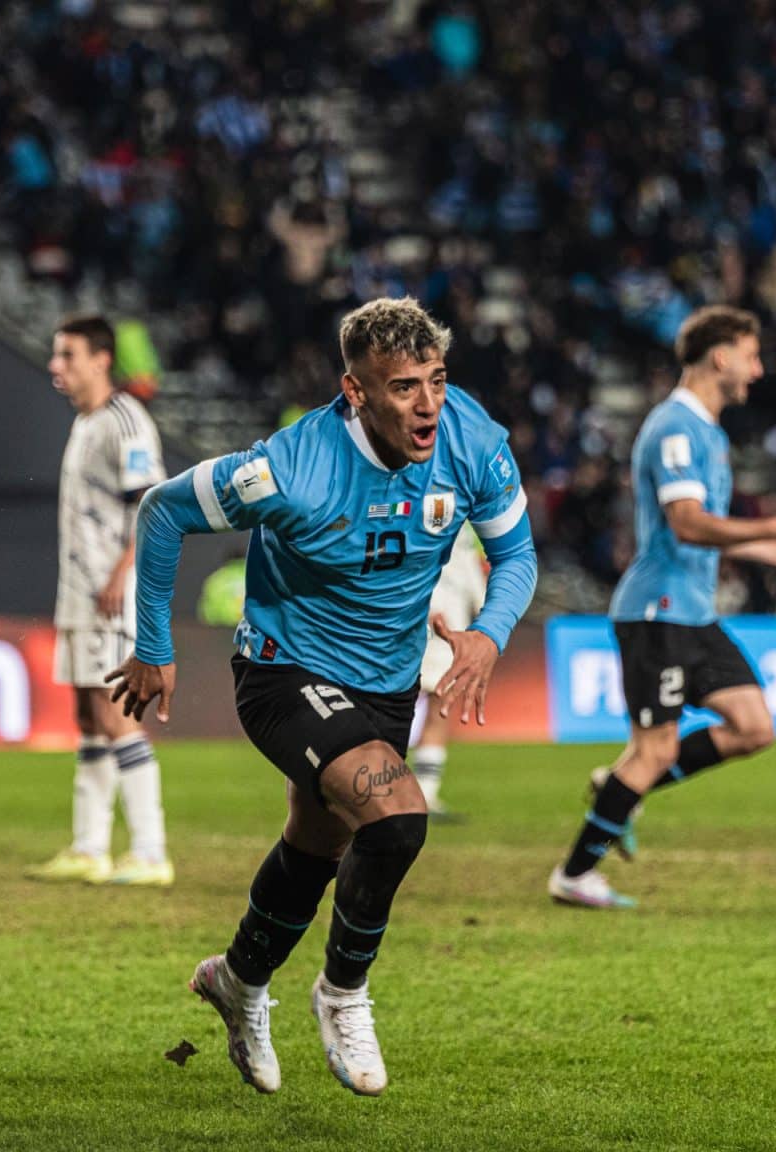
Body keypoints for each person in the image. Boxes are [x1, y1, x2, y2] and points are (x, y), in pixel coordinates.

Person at [110, 297, 536, 1097]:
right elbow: (162, 511)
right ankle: (343, 994)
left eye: (437, 381)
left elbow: (516, 554)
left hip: (385, 684)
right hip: (284, 672)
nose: (428, 405)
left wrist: (489, 632)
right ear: (355, 392)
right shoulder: (290, 468)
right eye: (404, 387)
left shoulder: (471, 437)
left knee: (316, 848)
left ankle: (237, 980)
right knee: (398, 815)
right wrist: (154, 648)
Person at [546, 306, 776, 910]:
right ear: (720, 356)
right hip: (657, 613)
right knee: (655, 749)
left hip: (693, 613)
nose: (757, 370)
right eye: (751, 356)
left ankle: (618, 792)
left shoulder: (708, 432)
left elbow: (703, 529)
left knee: (753, 726)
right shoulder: (675, 428)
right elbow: (688, 523)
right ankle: (575, 873)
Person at [28, 316, 171, 886]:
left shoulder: (124, 421)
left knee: (116, 714)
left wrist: (121, 572)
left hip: (113, 595)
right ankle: (90, 847)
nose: (55, 366)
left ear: (101, 360)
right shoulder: (87, 423)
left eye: (67, 355)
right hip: (81, 594)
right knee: (87, 715)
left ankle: (151, 850)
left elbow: (152, 506)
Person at [410, 524, 488, 818]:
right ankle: (408, 791)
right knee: (435, 701)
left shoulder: (464, 517)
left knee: (439, 701)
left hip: (440, 612)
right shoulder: (454, 510)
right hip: (435, 612)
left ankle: (421, 793)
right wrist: (484, 607)